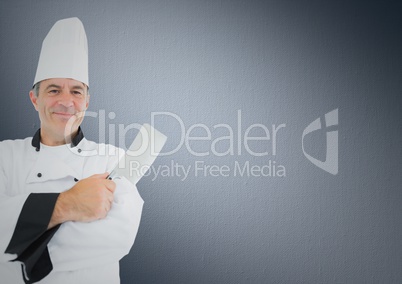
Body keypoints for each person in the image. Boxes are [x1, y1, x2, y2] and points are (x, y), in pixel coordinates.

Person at [0, 18, 144, 284]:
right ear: (35, 99)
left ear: (87, 102)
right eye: (54, 90)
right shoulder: (4, 156)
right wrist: (69, 203)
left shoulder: (115, 159)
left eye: (76, 92)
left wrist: (23, 257)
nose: (66, 102)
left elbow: (118, 237)